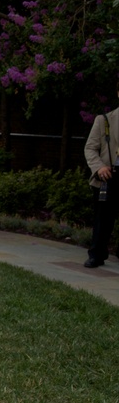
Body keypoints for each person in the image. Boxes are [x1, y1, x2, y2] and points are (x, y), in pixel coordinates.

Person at [83, 81, 119, 268]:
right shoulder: (104, 120)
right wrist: (99, 167)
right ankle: (97, 255)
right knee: (103, 219)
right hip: (108, 177)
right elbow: (90, 148)